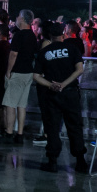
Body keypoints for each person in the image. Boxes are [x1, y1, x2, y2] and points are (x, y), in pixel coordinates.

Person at [32, 22, 86, 173]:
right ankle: (80, 161)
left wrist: (51, 85)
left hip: (52, 94)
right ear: (63, 34)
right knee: (74, 126)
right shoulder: (72, 49)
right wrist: (64, 84)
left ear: (49, 36)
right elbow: (79, 70)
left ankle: (52, 161)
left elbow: (36, 76)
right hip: (70, 92)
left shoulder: (44, 52)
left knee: (52, 127)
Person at [2, 9, 37, 143]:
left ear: (22, 19)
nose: (16, 18)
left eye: (18, 16)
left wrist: (8, 71)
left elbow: (13, 54)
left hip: (17, 72)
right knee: (21, 105)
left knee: (10, 103)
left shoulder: (19, 35)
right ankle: (20, 134)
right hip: (28, 72)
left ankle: (9, 133)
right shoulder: (32, 35)